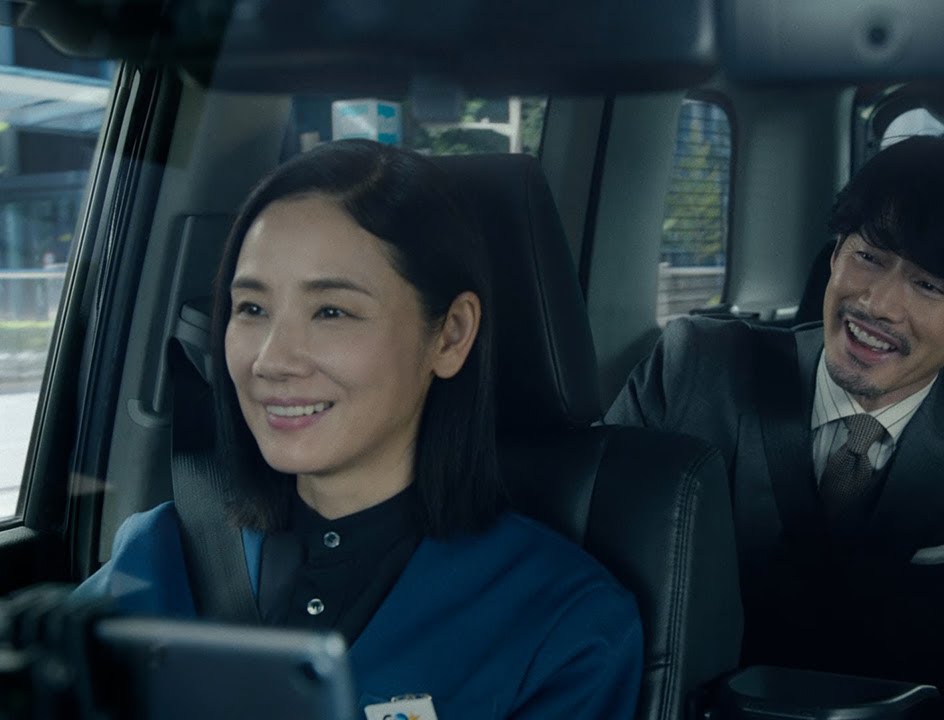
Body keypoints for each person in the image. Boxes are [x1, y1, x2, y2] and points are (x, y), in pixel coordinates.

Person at [78, 139, 643, 719]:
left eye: (331, 312)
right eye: (251, 309)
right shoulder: (160, 554)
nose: (271, 360)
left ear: (450, 335)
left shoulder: (562, 623)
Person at [606, 134, 944, 718]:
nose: (877, 304)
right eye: (869, 257)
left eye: (928, 286)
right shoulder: (696, 369)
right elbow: (595, 589)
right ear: (834, 255)